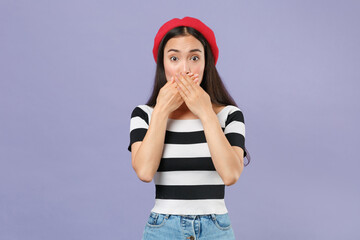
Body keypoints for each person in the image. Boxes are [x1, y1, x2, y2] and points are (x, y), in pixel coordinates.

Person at [128, 16, 251, 240]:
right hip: (163, 228)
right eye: (174, 58)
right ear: (162, 64)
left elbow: (231, 174)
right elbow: (144, 172)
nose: (185, 69)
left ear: (207, 62)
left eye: (194, 57)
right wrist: (162, 111)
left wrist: (205, 112)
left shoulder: (229, 115)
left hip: (216, 229)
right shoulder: (144, 115)